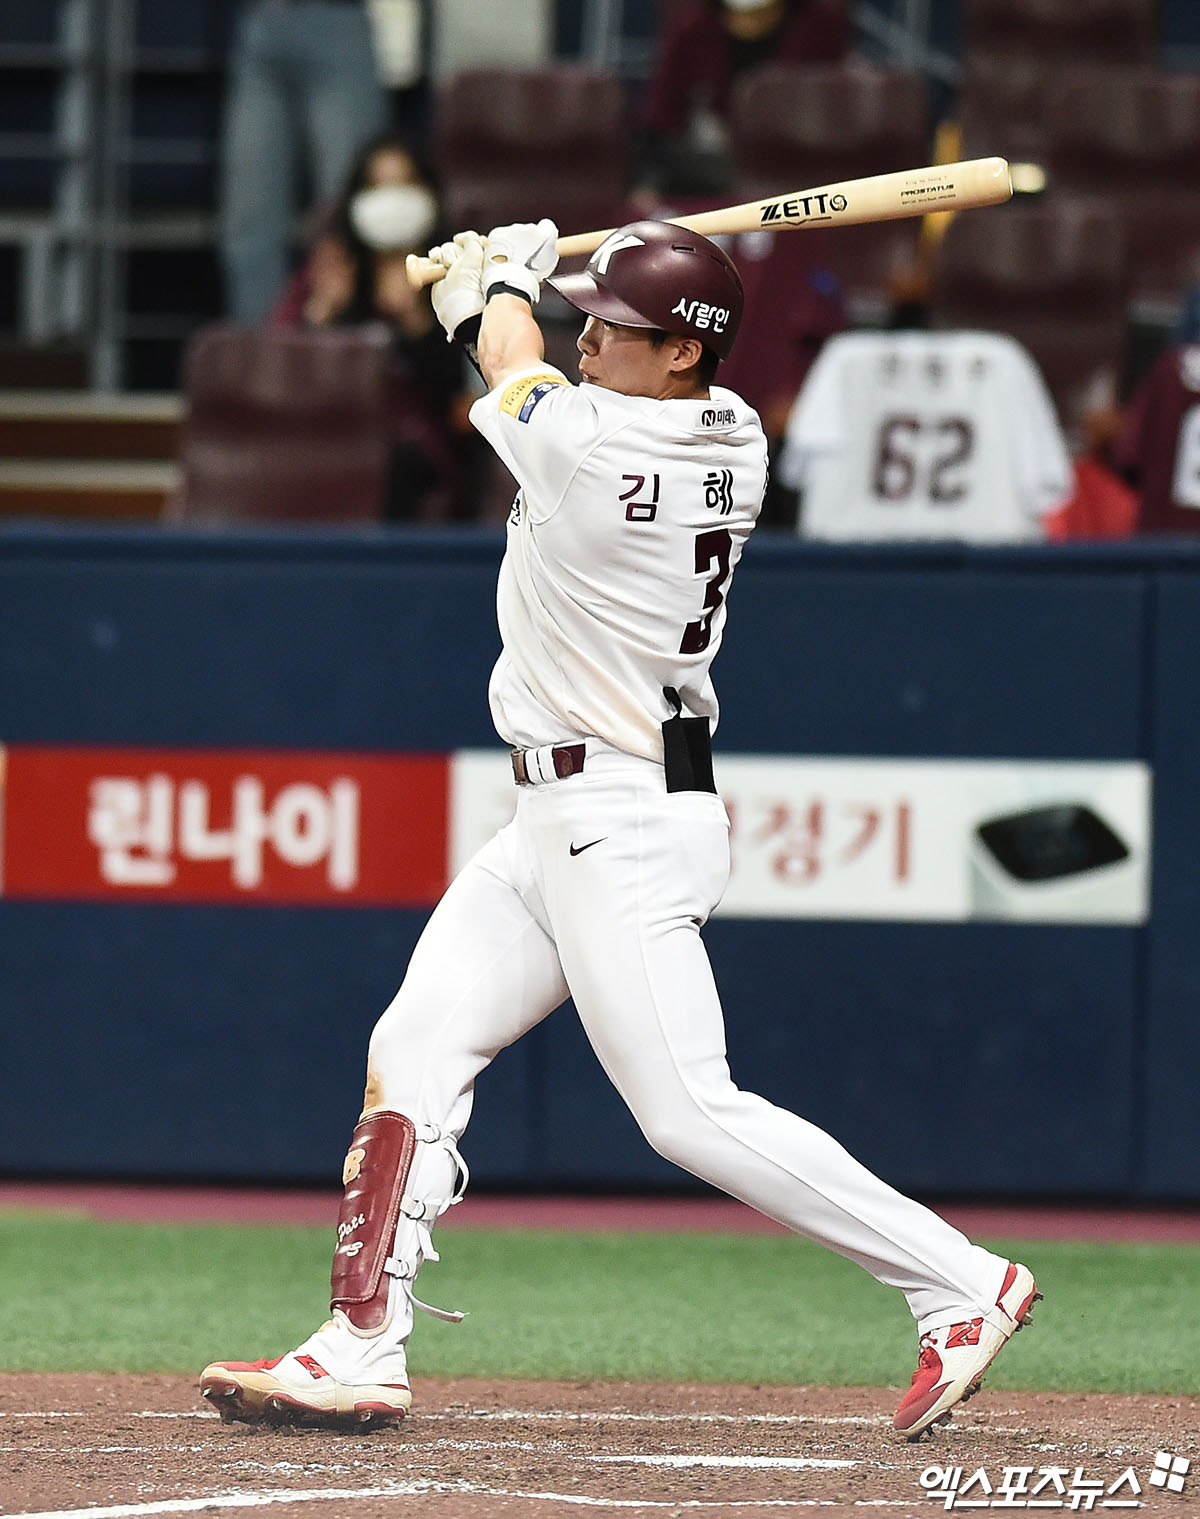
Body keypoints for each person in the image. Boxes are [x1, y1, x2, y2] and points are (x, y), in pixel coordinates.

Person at [199, 217, 1039, 1441]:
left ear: (684, 352)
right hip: (566, 809)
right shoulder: (730, 431)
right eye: (586, 319)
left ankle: (959, 1283)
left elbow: (517, 367)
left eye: (619, 327)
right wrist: (488, 303)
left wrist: (498, 285)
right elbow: (515, 369)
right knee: (416, 1044)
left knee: (687, 1108)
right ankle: (360, 1344)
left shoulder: (596, 444)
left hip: (622, 815)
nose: (590, 338)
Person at [270, 133, 475, 522]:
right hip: (330, 432)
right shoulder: (332, 269)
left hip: (416, 446)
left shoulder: (456, 272)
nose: (391, 202)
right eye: (377, 187)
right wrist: (320, 314)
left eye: (403, 185)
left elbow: (462, 390)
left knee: (395, 463)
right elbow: (275, 367)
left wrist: (416, 323)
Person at [220, 0, 387, 325]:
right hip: (261, 20)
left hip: (338, 16)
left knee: (351, 214)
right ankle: (260, 351)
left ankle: (351, 345)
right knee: (249, 223)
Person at [637, 0, 850, 200]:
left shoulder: (822, 25)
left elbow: (840, 116)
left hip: (804, 169)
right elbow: (660, 124)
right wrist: (649, 184)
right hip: (714, 171)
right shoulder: (690, 29)